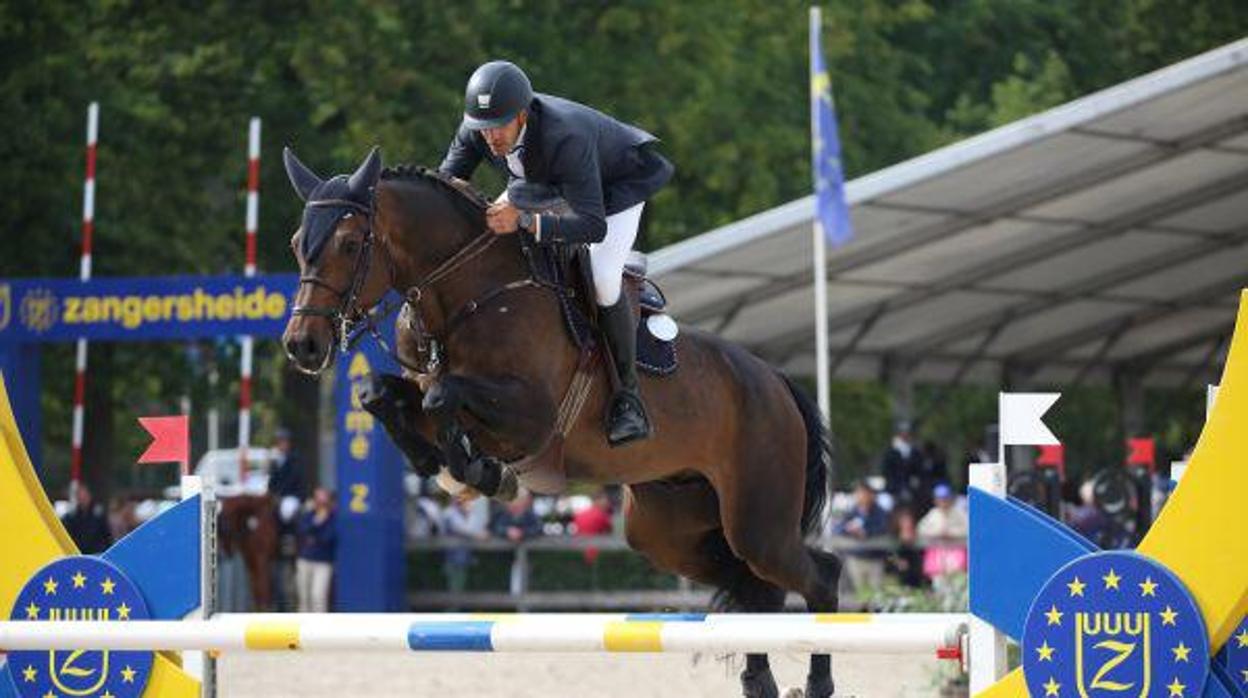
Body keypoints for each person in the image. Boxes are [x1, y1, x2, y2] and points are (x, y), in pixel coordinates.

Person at [439, 60, 675, 448]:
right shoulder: (477, 129)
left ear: (521, 115)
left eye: (499, 126)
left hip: (614, 190)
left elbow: (591, 224)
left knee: (601, 277)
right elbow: (446, 186)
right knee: (488, 236)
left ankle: (628, 399)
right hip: (543, 183)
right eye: (483, 129)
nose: (491, 138)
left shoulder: (565, 137)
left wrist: (528, 223)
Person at [834, 481, 890, 595]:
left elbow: (883, 529)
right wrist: (848, 529)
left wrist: (865, 533)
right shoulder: (851, 511)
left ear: (871, 495)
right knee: (858, 594)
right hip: (856, 558)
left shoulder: (881, 512)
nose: (861, 496)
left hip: (875, 559)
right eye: (858, 493)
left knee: (876, 595)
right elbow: (838, 529)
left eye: (863, 493)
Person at [916, 484, 968, 587]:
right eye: (940, 498)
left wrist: (952, 533)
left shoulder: (960, 513)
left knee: (957, 584)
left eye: (945, 498)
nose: (943, 501)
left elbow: (968, 530)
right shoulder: (933, 514)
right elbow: (921, 530)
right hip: (937, 556)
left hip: (956, 554)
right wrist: (937, 533)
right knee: (939, 584)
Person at [295, 487, 337, 613]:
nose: (320, 503)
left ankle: (319, 629)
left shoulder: (333, 517)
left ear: (328, 501)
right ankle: (304, 629)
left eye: (323, 500)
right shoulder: (309, 515)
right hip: (305, 560)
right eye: (317, 499)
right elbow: (302, 530)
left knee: (318, 596)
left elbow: (329, 537)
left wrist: (314, 535)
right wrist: (317, 523)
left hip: (323, 562)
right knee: (304, 597)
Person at [61, 483, 112, 554]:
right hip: (80, 552)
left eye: (84, 495)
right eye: (79, 495)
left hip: (97, 552)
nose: (82, 498)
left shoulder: (98, 513)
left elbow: (106, 535)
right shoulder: (72, 516)